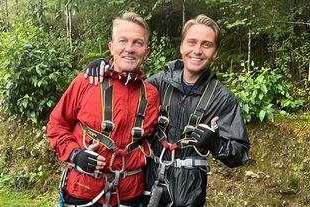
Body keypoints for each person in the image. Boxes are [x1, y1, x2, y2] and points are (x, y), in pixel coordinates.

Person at [85, 14, 250, 207]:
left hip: (189, 192)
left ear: (215, 52)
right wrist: (106, 65)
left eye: (206, 45)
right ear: (181, 46)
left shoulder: (222, 99)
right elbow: (127, 89)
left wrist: (217, 144)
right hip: (146, 183)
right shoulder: (158, 82)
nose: (197, 50)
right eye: (192, 42)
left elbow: (240, 153)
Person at [47, 12, 160, 207]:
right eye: (122, 41)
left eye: (137, 43)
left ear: (147, 51)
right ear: (111, 46)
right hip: (83, 191)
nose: (129, 49)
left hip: (130, 195)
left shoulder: (152, 94)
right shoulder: (87, 82)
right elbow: (56, 126)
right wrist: (75, 154)